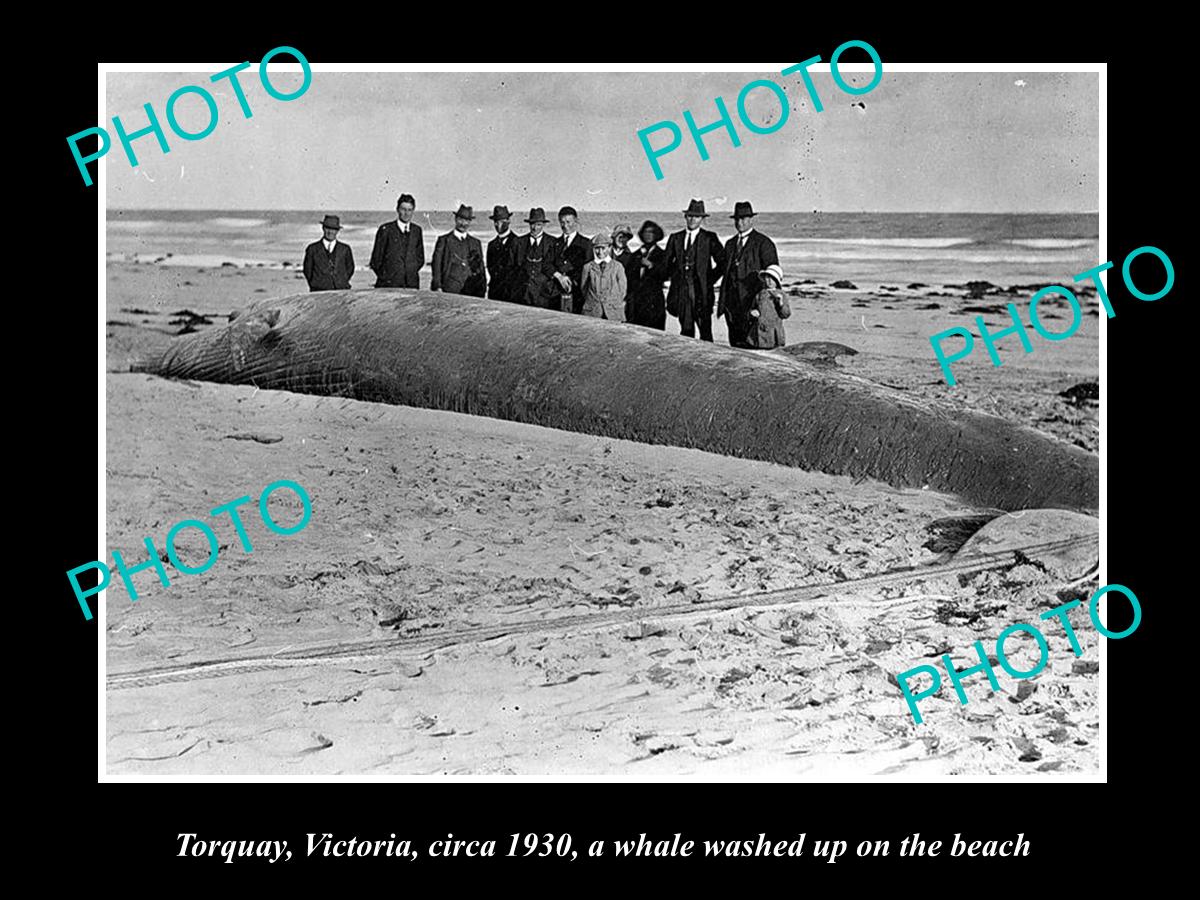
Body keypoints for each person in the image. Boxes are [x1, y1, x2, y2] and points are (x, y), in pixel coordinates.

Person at [661, 199, 726, 340]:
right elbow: (666, 264)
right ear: (685, 217)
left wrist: (709, 280)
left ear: (702, 219)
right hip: (682, 292)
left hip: (702, 292)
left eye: (696, 216)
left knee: (706, 332)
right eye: (690, 216)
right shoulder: (675, 238)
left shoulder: (709, 238)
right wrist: (675, 276)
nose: (692, 219)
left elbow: (723, 263)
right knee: (685, 331)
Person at [720, 201, 780, 347]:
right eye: (737, 219)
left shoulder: (764, 243)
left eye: (743, 219)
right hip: (732, 307)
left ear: (751, 220)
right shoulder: (729, 244)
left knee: (754, 348)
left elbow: (773, 277)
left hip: (753, 306)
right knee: (735, 347)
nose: (739, 222)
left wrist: (766, 308)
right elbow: (724, 272)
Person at [370, 194, 425, 288]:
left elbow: (420, 259)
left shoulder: (417, 230)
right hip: (388, 286)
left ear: (413, 211)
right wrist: (387, 277)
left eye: (410, 210)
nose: (406, 213)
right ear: (397, 209)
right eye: (403, 209)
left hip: (411, 285)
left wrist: (409, 271)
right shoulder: (385, 229)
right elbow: (375, 261)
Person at [431, 205, 486, 297]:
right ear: (455, 219)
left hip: (471, 293)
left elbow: (481, 270)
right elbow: (436, 266)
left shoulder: (476, 243)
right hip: (448, 292)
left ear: (470, 222)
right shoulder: (444, 240)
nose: (463, 223)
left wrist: (482, 291)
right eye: (461, 219)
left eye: (467, 221)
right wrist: (437, 287)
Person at [510, 208, 559, 308]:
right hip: (522, 295)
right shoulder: (518, 242)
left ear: (544, 225)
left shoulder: (553, 242)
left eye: (538, 224)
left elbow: (555, 267)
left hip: (544, 296)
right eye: (532, 224)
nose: (535, 228)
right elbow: (511, 269)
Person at [624, 220, 668, 330]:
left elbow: (666, 274)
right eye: (645, 232)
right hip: (636, 301)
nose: (648, 235)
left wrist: (651, 265)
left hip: (654, 301)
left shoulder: (663, 254)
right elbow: (628, 277)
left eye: (651, 232)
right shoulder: (635, 255)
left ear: (657, 235)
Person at [580, 227, 627, 321]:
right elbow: (584, 288)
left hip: (613, 312)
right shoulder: (588, 267)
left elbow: (622, 290)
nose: (600, 252)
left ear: (609, 248)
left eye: (603, 248)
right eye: (597, 248)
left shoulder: (617, 266)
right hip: (593, 312)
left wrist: (612, 302)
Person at [553, 206, 593, 313]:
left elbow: (588, 268)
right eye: (562, 222)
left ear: (576, 221)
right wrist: (559, 276)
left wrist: (571, 280)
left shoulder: (586, 243)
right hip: (556, 293)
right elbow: (547, 264)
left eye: (568, 222)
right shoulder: (555, 243)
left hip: (577, 293)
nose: (565, 226)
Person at [743, 264, 791, 349]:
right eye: (767, 278)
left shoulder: (781, 294)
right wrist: (752, 313)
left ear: (777, 281)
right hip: (759, 331)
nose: (769, 281)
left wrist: (781, 304)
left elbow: (786, 314)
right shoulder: (760, 294)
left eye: (772, 279)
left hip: (774, 332)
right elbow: (752, 309)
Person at [302, 214, 355, 291]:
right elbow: (307, 271)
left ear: (337, 231)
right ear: (323, 228)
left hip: (341, 290)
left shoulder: (345, 249)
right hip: (318, 291)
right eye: (328, 228)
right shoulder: (312, 249)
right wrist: (316, 284)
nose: (330, 232)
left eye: (334, 229)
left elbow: (350, 269)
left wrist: (341, 282)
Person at [486, 205, 517, 301]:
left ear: (509, 221)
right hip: (495, 293)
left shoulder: (518, 242)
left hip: (512, 294)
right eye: (496, 222)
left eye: (501, 221)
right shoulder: (491, 245)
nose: (498, 225)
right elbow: (490, 268)